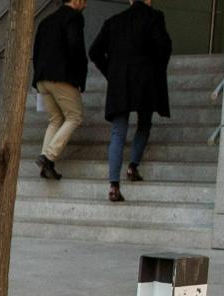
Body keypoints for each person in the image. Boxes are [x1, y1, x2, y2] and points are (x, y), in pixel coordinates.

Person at [90, 0, 171, 202]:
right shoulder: (154, 17)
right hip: (145, 81)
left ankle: (114, 185)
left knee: (118, 132)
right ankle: (133, 166)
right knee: (144, 123)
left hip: (120, 83)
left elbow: (94, 51)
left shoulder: (113, 21)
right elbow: (164, 46)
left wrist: (112, 72)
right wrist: (155, 70)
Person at [32, 0, 87, 180]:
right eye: (84, 1)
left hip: (42, 78)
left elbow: (37, 51)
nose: (85, 6)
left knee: (55, 119)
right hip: (62, 77)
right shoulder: (74, 18)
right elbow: (76, 48)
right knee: (74, 116)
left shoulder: (45, 21)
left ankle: (44, 167)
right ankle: (48, 157)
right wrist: (78, 77)